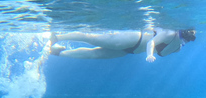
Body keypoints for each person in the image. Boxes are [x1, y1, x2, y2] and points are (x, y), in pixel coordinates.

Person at [49, 28, 196, 62]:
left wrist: (179, 45)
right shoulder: (170, 32)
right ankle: (57, 37)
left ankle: (58, 52)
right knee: (92, 39)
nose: (187, 39)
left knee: (94, 54)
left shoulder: (177, 45)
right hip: (133, 40)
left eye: (190, 38)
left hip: (129, 50)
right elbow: (152, 42)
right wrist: (150, 54)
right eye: (188, 35)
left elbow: (163, 52)